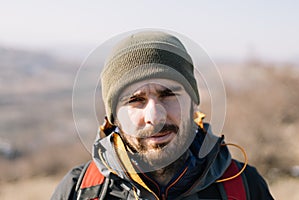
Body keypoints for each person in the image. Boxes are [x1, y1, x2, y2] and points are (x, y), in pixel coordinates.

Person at [52, 31, 274, 199]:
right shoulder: (79, 191)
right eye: (135, 100)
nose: (155, 117)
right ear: (113, 117)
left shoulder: (243, 186)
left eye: (169, 95)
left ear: (193, 103)